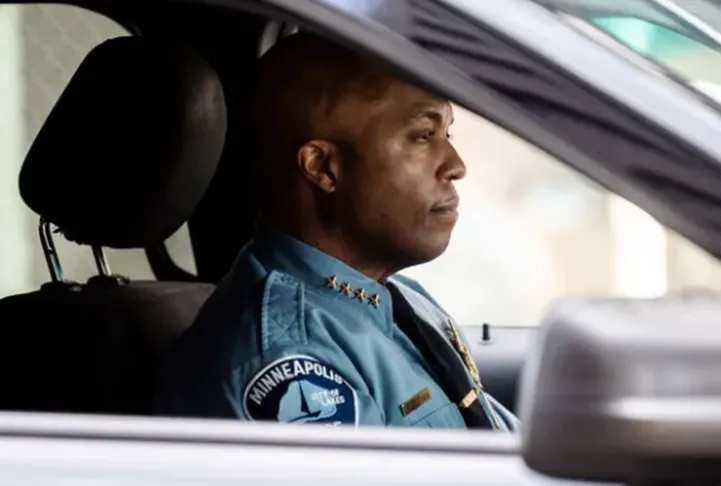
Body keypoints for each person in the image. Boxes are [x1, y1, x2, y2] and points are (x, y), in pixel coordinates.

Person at [154, 32, 518, 430]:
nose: (456, 165)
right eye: (423, 136)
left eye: (447, 134)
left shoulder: (398, 297)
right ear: (324, 167)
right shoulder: (293, 358)